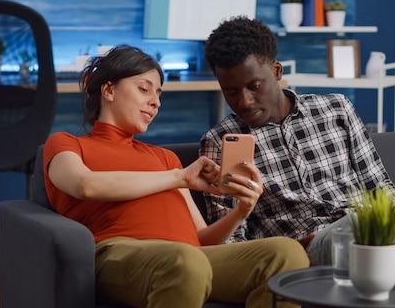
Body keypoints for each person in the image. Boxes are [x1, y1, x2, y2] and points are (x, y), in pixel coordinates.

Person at [199, 16, 395, 308]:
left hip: (376, 234)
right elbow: (234, 247)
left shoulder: (337, 108)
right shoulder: (219, 142)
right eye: (230, 92)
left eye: (254, 86)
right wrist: (292, 248)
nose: (244, 102)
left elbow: (379, 187)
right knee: (351, 226)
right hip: (310, 249)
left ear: (277, 72)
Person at [42, 44, 309, 308]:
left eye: (158, 94)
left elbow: (201, 238)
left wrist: (242, 209)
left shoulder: (165, 158)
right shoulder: (67, 144)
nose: (155, 102)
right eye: (144, 89)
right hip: (118, 253)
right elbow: (84, 185)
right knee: (185, 262)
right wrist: (179, 178)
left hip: (189, 257)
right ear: (109, 90)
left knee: (287, 254)